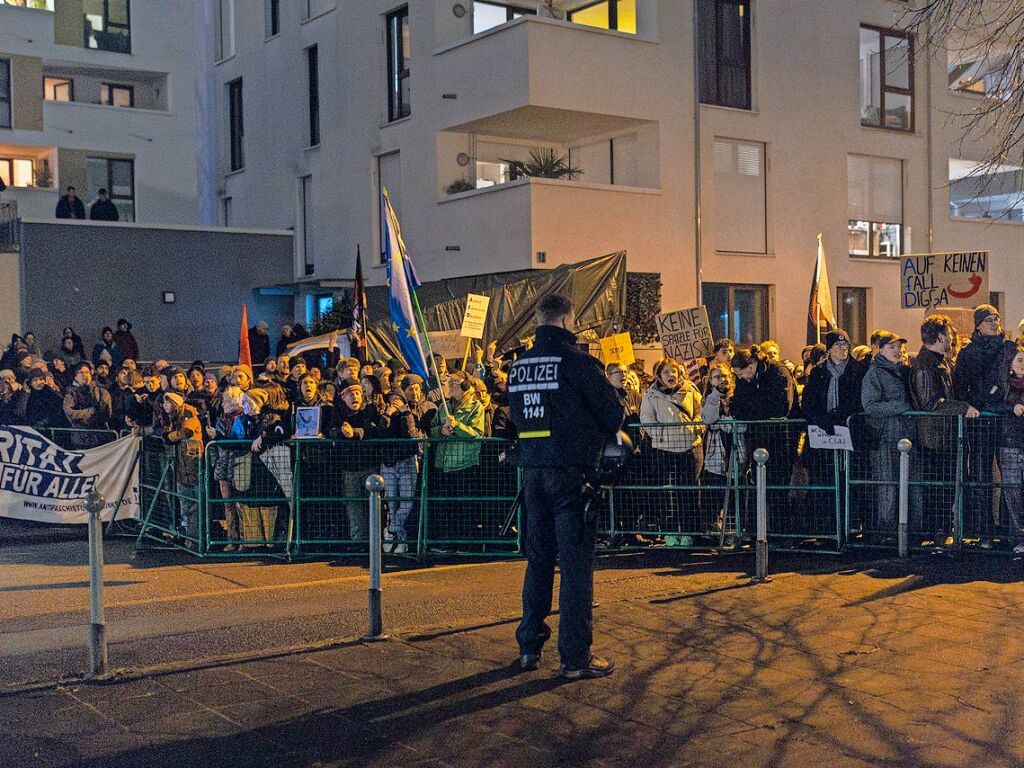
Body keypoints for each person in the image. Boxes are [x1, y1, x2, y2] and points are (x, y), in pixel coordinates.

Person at [509, 294, 624, 679]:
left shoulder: (520, 366)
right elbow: (613, 413)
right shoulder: (578, 363)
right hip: (571, 473)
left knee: (538, 560)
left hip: (532, 470)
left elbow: (516, 417)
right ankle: (575, 657)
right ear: (566, 320)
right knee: (575, 568)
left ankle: (529, 646)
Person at [910, 314, 976, 546]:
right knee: (939, 488)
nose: (951, 338)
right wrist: (963, 407)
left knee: (947, 487)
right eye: (948, 334)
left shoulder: (937, 361)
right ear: (939, 336)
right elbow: (931, 403)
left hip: (943, 436)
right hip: (935, 439)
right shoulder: (926, 365)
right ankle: (938, 533)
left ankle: (943, 532)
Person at [952, 304, 1014, 546]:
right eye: (988, 319)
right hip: (979, 421)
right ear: (978, 324)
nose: (994, 322)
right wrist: (973, 403)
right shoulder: (968, 353)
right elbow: (959, 386)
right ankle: (985, 531)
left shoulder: (1007, 348)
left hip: (1005, 418)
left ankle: (1010, 530)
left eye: (996, 318)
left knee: (1010, 475)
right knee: (981, 475)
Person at [639, 358, 703, 537]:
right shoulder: (650, 395)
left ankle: (691, 532)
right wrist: (660, 436)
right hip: (663, 449)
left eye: (673, 371)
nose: (670, 375)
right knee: (666, 492)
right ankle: (670, 531)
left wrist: (695, 428)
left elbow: (701, 412)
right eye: (666, 372)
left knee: (689, 490)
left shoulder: (690, 390)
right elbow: (646, 419)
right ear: (659, 376)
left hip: (689, 446)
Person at [860, 331, 914, 539]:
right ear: (880, 350)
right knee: (887, 485)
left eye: (898, 346)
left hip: (906, 435)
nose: (897, 350)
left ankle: (905, 528)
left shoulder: (903, 371)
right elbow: (870, 405)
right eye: (891, 347)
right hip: (884, 437)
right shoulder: (874, 374)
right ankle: (885, 530)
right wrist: (901, 407)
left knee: (906, 484)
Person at [378, 391, 424, 553]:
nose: (395, 403)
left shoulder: (409, 413)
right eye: (392, 400)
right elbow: (381, 429)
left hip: (406, 462)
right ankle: (400, 537)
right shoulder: (384, 413)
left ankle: (391, 529)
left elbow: (412, 434)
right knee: (391, 502)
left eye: (398, 399)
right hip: (389, 463)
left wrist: (405, 412)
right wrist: (388, 413)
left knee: (407, 501)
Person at [994, 343, 1024, 554]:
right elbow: (989, 403)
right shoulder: (1004, 386)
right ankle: (1019, 535)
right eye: (1020, 360)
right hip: (1010, 442)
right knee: (1013, 492)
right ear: (1010, 365)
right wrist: (1010, 408)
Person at [63, 361, 112, 440]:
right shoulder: (70, 393)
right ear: (75, 377)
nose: (84, 375)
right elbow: (70, 413)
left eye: (87, 372)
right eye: (81, 372)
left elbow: (105, 413)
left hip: (100, 435)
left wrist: (86, 417)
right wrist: (91, 411)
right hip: (80, 436)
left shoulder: (101, 391)